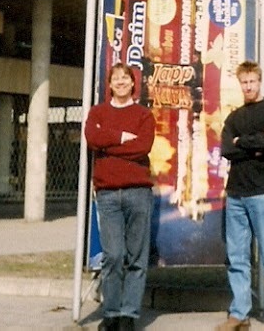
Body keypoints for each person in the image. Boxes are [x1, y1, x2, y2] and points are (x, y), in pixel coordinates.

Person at [84, 62, 156, 331]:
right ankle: (111, 312)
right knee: (113, 256)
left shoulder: (143, 115)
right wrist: (123, 137)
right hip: (108, 195)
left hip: (139, 193)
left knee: (137, 259)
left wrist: (109, 146)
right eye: (116, 79)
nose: (121, 83)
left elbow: (143, 147)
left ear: (133, 83)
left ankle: (129, 315)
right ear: (110, 84)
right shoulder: (98, 111)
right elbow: (92, 137)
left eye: (126, 78)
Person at [218, 61, 264, 331]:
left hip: (262, 193)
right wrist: (253, 144)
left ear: (260, 82)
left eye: (252, 82)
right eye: (244, 82)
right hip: (235, 193)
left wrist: (241, 142)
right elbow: (225, 149)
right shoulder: (234, 117)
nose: (248, 86)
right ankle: (240, 314)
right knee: (237, 257)